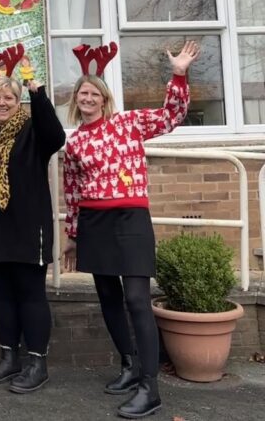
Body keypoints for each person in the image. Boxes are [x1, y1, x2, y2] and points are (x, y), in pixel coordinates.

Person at [63, 41, 201, 419]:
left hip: (130, 219)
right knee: (107, 296)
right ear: (76, 100)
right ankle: (129, 365)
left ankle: (150, 387)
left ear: (104, 98)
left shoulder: (128, 123)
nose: (88, 97)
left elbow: (172, 116)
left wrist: (178, 73)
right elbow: (72, 192)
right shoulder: (74, 142)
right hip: (93, 222)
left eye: (94, 92)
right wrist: (73, 236)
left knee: (137, 299)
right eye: (82, 93)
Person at [0, 74, 65, 393]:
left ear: (18, 100)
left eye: (8, 97)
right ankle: (9, 358)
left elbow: (56, 136)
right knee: (2, 294)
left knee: (30, 295)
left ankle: (38, 363)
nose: (2, 103)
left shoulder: (32, 130)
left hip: (27, 226)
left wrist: (38, 94)